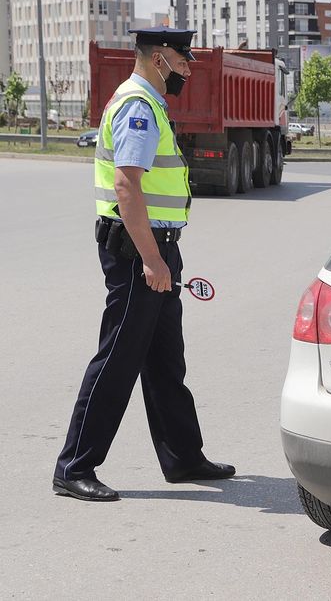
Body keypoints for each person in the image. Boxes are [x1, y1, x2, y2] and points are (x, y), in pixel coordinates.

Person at [53, 27, 235, 502]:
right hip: (139, 252)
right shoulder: (138, 106)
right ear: (159, 58)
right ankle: (74, 467)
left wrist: (164, 256)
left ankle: (183, 457)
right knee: (117, 359)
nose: (188, 67)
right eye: (183, 59)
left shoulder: (150, 101)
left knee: (164, 359)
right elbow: (127, 187)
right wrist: (153, 260)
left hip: (158, 249)